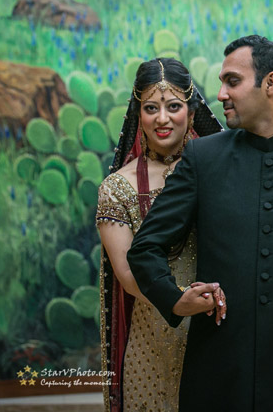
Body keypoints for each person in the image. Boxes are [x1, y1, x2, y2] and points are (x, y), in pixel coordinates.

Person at [127, 37, 273, 412]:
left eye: (232, 81)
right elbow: (144, 247)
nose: (221, 94)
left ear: (270, 83)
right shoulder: (203, 158)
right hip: (215, 371)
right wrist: (175, 300)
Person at [96, 58, 225, 412]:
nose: (162, 119)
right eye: (151, 108)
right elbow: (127, 276)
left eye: (174, 107)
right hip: (152, 342)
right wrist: (179, 301)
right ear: (138, 114)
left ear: (192, 112)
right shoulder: (117, 188)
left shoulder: (221, 170)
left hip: (217, 330)